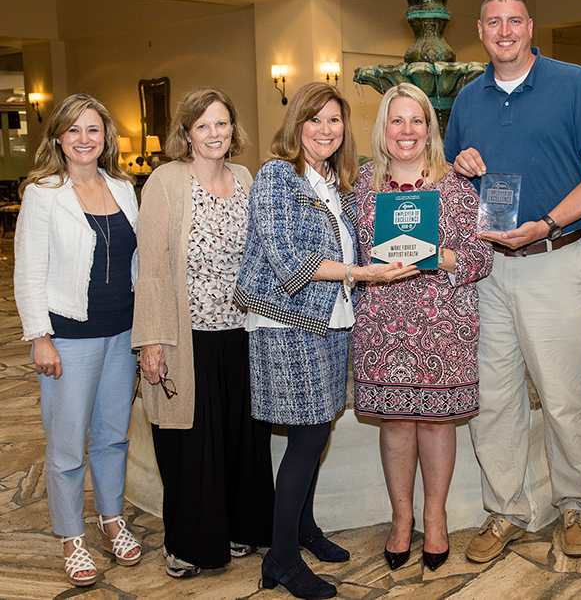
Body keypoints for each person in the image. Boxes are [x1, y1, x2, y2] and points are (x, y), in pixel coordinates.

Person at [443, 0, 581, 560]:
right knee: (493, 398)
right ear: (479, 31)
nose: (504, 31)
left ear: (530, 25)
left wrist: (544, 224)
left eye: (513, 20)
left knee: (563, 395)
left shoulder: (574, 83)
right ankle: (506, 511)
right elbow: (448, 180)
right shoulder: (467, 99)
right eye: (492, 22)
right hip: (487, 269)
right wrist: (457, 163)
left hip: (553, 258)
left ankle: (575, 506)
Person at [235, 82, 417, 600]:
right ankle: (282, 559)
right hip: (288, 325)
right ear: (297, 124)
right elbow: (287, 261)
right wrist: (363, 273)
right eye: (315, 120)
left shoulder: (335, 184)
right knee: (310, 437)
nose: (325, 129)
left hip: (332, 323)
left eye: (334, 121)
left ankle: (303, 529)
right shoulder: (277, 175)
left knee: (310, 434)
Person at [131, 87, 275, 578]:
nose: (215, 133)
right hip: (186, 336)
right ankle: (187, 545)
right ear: (186, 133)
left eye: (222, 123)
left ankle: (239, 528)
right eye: (204, 125)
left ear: (233, 128)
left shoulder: (245, 177)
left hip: (241, 332)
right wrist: (151, 341)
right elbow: (150, 268)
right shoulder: (165, 182)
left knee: (240, 438)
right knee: (190, 445)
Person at [351, 83, 493, 572]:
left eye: (417, 121)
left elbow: (480, 257)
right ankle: (400, 518)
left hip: (443, 325)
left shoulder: (455, 186)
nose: (407, 131)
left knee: (435, 422)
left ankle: (435, 518)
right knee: (395, 423)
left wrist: (433, 254)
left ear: (430, 128)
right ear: (383, 129)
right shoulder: (360, 186)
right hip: (381, 325)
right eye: (397, 121)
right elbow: (346, 256)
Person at [14, 94, 141, 586]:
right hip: (69, 336)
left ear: (105, 136)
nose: (85, 139)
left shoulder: (124, 187)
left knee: (113, 436)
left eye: (93, 130)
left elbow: (136, 263)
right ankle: (72, 536)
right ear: (59, 139)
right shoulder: (43, 193)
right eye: (74, 131)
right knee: (68, 445)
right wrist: (40, 337)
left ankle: (112, 520)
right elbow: (29, 272)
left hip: (122, 334)